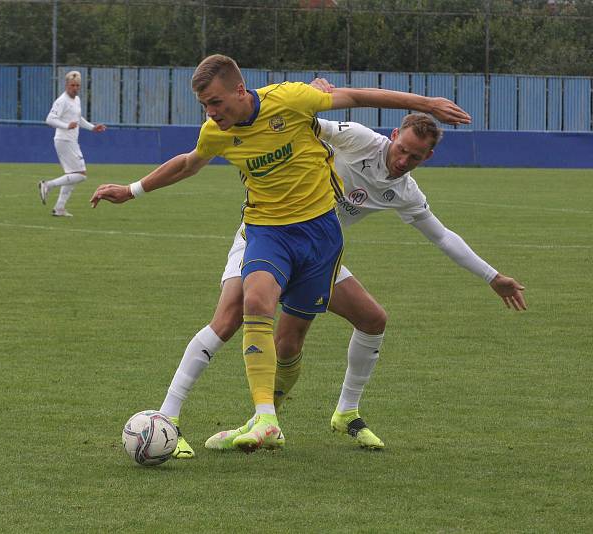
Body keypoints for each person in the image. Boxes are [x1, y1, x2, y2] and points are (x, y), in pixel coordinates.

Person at [91, 54, 471, 453]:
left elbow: (358, 95)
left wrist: (425, 104)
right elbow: (188, 163)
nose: (211, 112)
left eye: (216, 102)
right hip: (265, 230)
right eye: (205, 105)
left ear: (240, 90)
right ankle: (231, 417)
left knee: (292, 342)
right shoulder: (216, 131)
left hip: (320, 236)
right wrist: (132, 190)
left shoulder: (290, 100)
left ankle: (272, 416)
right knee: (247, 306)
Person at [161, 108, 528, 458]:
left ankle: (340, 413)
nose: (403, 160)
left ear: (427, 157)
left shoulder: (405, 192)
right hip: (268, 233)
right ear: (394, 135)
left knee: (360, 323)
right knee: (228, 319)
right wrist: (314, 93)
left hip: (318, 254)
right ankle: (168, 419)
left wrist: (492, 277)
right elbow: (300, 121)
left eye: (414, 157)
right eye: (402, 149)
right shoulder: (359, 139)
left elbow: (443, 236)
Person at [38, 70, 106, 217]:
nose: (75, 88)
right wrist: (66, 125)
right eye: (72, 85)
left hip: (71, 140)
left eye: (77, 85)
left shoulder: (76, 100)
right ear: (66, 85)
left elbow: (78, 118)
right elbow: (49, 119)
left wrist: (93, 127)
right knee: (81, 175)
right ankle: (47, 185)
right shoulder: (61, 101)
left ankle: (59, 208)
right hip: (64, 140)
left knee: (72, 176)